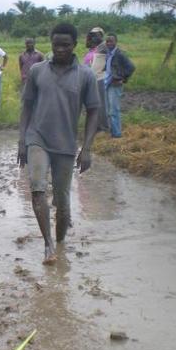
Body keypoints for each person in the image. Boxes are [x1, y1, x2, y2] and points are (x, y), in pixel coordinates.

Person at [18, 23, 101, 265]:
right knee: (37, 189)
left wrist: (87, 148)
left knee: (62, 203)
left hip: (66, 145)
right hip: (38, 138)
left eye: (66, 45)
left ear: (75, 45)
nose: (61, 49)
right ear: (51, 44)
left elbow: (94, 111)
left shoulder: (85, 75)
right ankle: (48, 244)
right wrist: (23, 140)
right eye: (57, 45)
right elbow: (27, 107)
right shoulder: (37, 70)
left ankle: (60, 239)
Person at [103, 33, 135, 138]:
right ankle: (111, 132)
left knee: (114, 110)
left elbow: (131, 67)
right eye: (107, 41)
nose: (108, 43)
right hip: (106, 83)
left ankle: (117, 134)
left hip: (115, 84)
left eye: (111, 41)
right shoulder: (107, 54)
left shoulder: (119, 54)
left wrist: (123, 79)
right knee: (107, 110)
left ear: (116, 42)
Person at [86, 27, 110, 133]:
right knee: (94, 103)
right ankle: (97, 126)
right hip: (92, 79)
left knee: (102, 104)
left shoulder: (104, 45)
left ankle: (104, 127)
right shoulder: (94, 48)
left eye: (96, 35)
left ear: (101, 35)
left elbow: (112, 57)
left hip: (100, 78)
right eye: (92, 35)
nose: (94, 37)